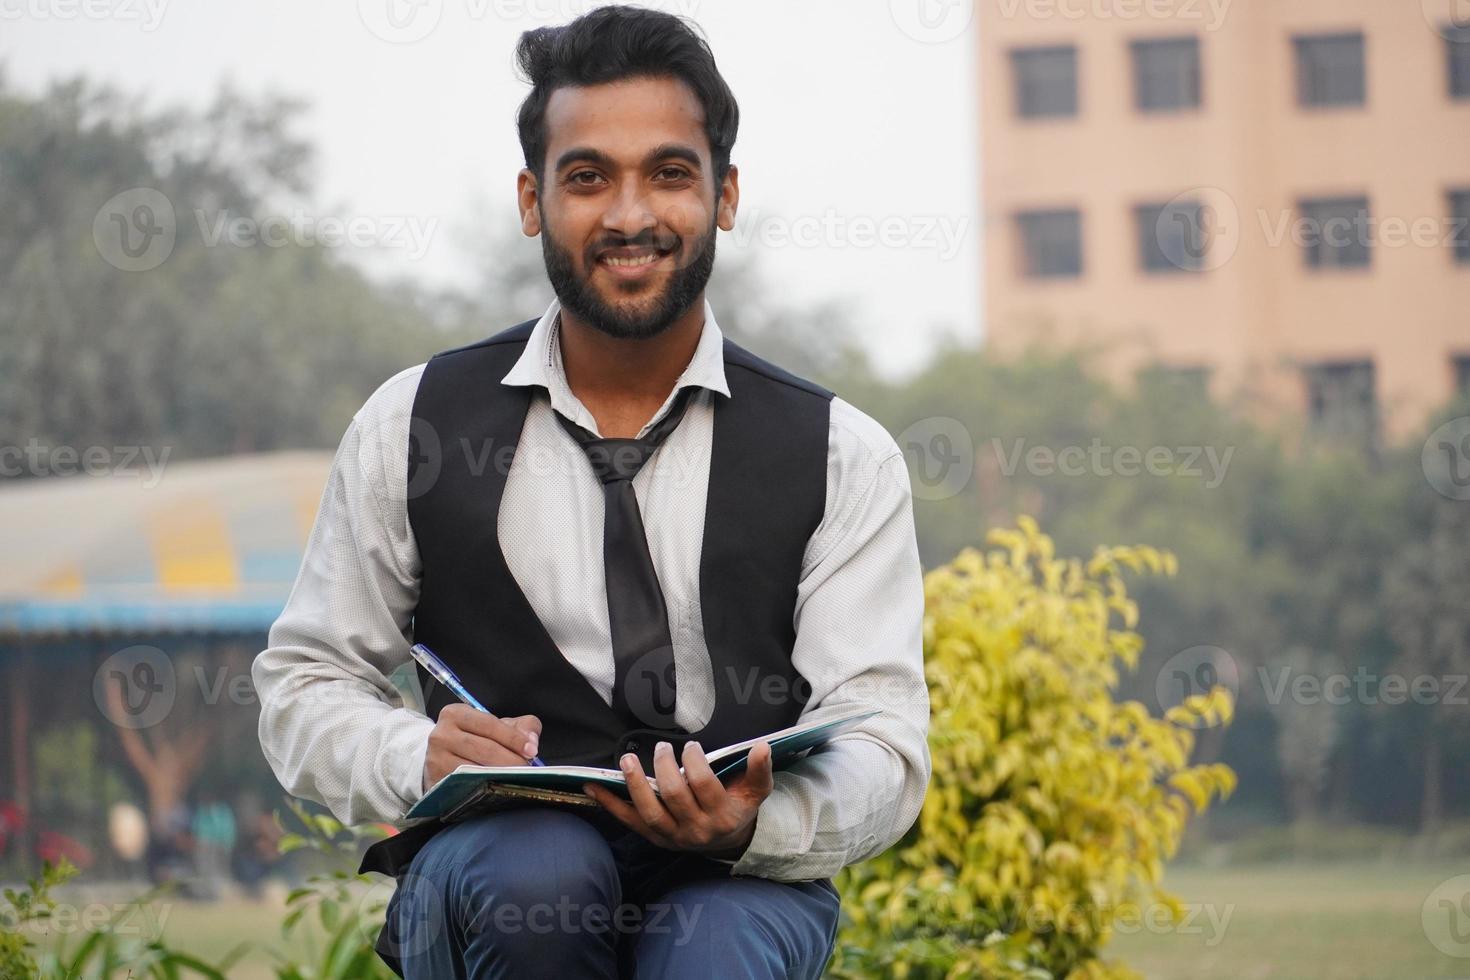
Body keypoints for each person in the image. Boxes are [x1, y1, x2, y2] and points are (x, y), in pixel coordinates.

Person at [252, 6, 929, 977]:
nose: (628, 215)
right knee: (545, 874)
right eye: (586, 177)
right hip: (499, 861)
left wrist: (757, 821)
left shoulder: (841, 452)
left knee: (721, 945)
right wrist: (419, 757)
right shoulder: (414, 425)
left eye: (668, 172)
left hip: (739, 878)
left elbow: (884, 736)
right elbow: (304, 680)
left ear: (725, 194)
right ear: (532, 200)